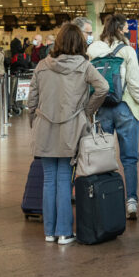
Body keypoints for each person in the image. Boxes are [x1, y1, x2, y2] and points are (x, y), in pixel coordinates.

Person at [28, 24, 108, 244]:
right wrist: (86, 112)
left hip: (44, 128)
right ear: (80, 42)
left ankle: (49, 232)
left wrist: (33, 122)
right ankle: (64, 232)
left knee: (48, 181)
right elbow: (103, 88)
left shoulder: (42, 65)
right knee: (64, 179)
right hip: (71, 128)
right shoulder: (84, 66)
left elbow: (31, 100)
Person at [88, 14, 139, 220]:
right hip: (125, 107)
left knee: (104, 156)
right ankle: (131, 202)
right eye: (126, 27)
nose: (128, 30)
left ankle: (105, 197)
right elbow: (135, 84)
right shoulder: (128, 51)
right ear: (119, 29)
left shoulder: (93, 50)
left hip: (102, 108)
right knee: (129, 158)